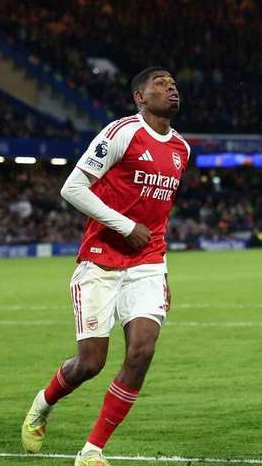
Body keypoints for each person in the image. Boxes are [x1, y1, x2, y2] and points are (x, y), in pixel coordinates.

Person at [21, 68, 190, 466]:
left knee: (142, 351)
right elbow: (72, 188)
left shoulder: (182, 148)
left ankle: (92, 450)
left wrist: (160, 266)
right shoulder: (121, 133)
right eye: (161, 84)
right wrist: (125, 225)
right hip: (100, 260)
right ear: (140, 97)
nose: (171, 88)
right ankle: (43, 403)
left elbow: (158, 214)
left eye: (174, 84)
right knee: (91, 363)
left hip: (147, 262)